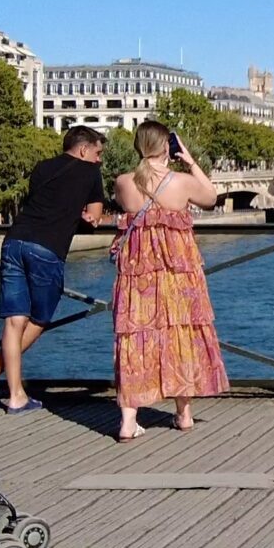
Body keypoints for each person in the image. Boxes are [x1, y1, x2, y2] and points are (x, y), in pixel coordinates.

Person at [0, 126, 110, 413]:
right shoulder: (90, 172)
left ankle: (10, 391)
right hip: (47, 248)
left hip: (14, 242)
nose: (99, 160)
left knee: (13, 320)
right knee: (39, 319)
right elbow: (94, 216)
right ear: (84, 150)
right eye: (98, 153)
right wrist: (84, 216)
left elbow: (45, 202)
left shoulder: (42, 167)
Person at [108, 122, 228, 441]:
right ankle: (184, 413)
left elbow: (132, 211)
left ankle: (128, 421)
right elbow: (211, 197)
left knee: (135, 338)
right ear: (167, 147)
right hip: (178, 272)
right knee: (180, 334)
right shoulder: (182, 183)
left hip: (138, 274)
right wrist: (188, 160)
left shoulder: (123, 183)